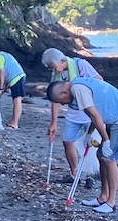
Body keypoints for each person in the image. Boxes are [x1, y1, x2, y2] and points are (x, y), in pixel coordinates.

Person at [47, 77, 118, 214]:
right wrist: (89, 134)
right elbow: (95, 112)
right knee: (101, 156)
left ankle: (111, 203)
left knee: (109, 158)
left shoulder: (78, 89)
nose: (63, 105)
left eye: (60, 102)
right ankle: (103, 197)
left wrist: (105, 140)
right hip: (113, 118)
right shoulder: (77, 86)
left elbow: (95, 116)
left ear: (64, 93)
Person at [42, 47, 103, 187]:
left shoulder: (80, 65)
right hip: (74, 112)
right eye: (50, 68)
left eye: (53, 67)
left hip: (89, 111)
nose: (53, 70)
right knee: (67, 141)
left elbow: (99, 80)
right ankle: (74, 173)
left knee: (90, 144)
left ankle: (90, 175)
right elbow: (56, 99)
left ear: (62, 61)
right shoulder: (57, 75)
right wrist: (53, 122)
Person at [0, 47, 26, 129]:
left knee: (17, 101)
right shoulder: (2, 54)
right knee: (17, 101)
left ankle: (15, 123)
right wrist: (5, 87)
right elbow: (9, 68)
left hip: (17, 78)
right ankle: (13, 121)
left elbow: (2, 72)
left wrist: (0, 88)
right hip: (19, 76)